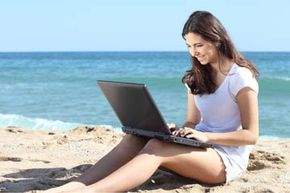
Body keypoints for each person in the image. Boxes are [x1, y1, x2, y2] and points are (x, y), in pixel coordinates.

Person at [44, 10, 259, 192]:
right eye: (189, 46)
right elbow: (192, 121)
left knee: (157, 146)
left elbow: (251, 135)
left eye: (199, 45)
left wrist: (205, 136)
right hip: (200, 148)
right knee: (136, 138)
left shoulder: (239, 77)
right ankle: (76, 185)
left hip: (225, 159)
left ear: (216, 39)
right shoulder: (196, 78)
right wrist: (182, 133)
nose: (193, 53)